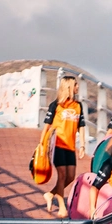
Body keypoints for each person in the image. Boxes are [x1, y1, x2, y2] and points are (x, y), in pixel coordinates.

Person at [41, 76, 86, 215]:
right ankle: (61, 207)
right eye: (76, 85)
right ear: (69, 87)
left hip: (70, 146)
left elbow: (81, 126)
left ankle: (50, 194)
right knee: (61, 175)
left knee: (70, 177)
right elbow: (47, 126)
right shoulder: (56, 105)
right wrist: (41, 145)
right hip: (57, 144)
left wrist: (83, 145)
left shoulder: (78, 105)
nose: (78, 87)